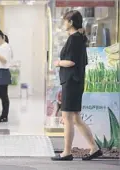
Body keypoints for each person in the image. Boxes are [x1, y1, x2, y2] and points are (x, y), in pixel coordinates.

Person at [51, 10, 102, 161]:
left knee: (68, 117)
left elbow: (71, 62)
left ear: (71, 22)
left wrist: (58, 63)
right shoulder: (79, 39)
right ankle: (94, 147)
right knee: (75, 118)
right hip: (75, 82)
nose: (63, 23)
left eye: (65, 20)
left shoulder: (74, 39)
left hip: (71, 82)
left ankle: (67, 152)